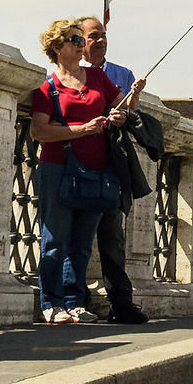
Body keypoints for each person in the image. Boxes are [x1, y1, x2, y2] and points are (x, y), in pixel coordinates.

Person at [26, 18, 137, 325]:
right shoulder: (47, 89)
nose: (81, 45)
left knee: (82, 243)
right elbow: (39, 131)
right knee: (54, 241)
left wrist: (121, 113)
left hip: (98, 171)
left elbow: (125, 108)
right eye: (75, 40)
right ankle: (51, 303)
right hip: (58, 169)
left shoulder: (98, 79)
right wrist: (82, 129)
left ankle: (75, 303)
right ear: (56, 48)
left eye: (80, 40)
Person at [75, 16, 151, 325]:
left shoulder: (121, 74)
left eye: (103, 34)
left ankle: (121, 301)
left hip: (112, 164)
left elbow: (133, 116)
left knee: (112, 238)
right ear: (80, 41)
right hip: (80, 163)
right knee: (77, 237)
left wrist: (131, 102)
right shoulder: (72, 73)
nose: (100, 40)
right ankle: (75, 299)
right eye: (94, 36)